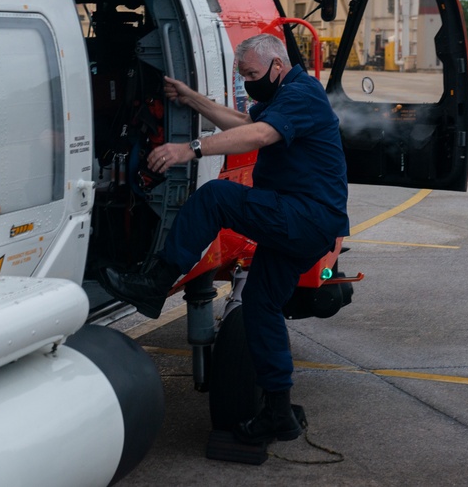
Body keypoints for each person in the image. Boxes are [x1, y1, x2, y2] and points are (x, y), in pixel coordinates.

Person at [98, 33, 349, 445]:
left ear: (277, 66)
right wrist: (191, 98)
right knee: (261, 309)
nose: (248, 81)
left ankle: (155, 283)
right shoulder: (287, 91)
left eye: (251, 74)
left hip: (304, 217)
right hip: (304, 221)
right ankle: (278, 411)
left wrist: (190, 149)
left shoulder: (303, 93)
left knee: (216, 196)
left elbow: (260, 137)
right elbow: (247, 124)